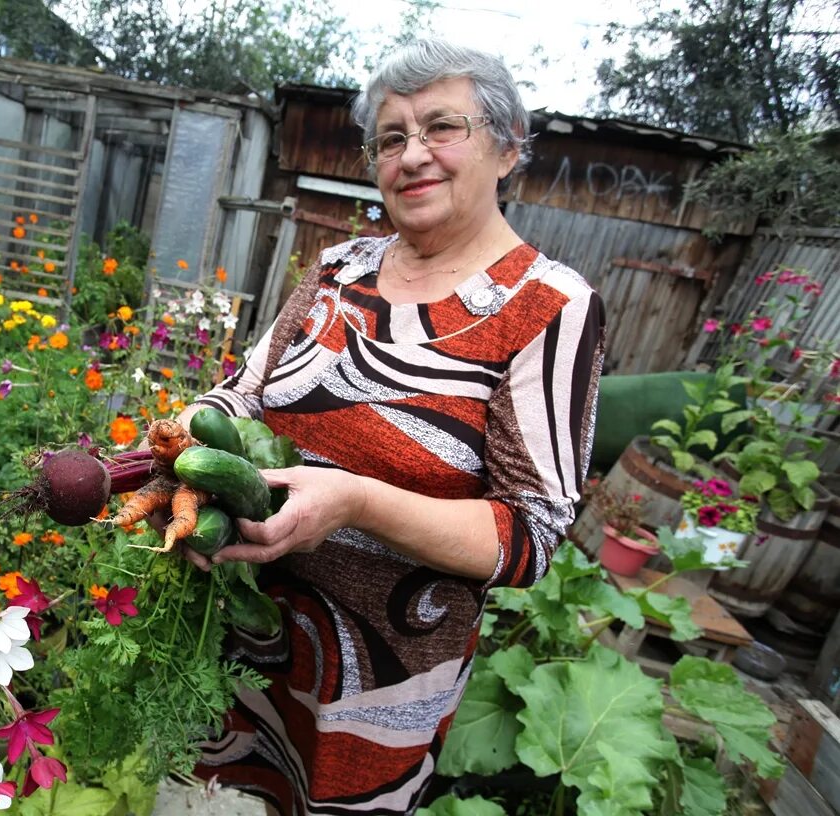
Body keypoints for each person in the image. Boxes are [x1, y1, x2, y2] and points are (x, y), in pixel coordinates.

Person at [177, 38, 605, 816]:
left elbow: (529, 535)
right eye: (391, 138)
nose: (412, 155)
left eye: (442, 128)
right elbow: (242, 392)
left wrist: (355, 501)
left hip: (375, 689)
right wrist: (186, 431)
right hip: (237, 634)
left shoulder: (549, 307)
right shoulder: (338, 268)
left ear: (507, 148)